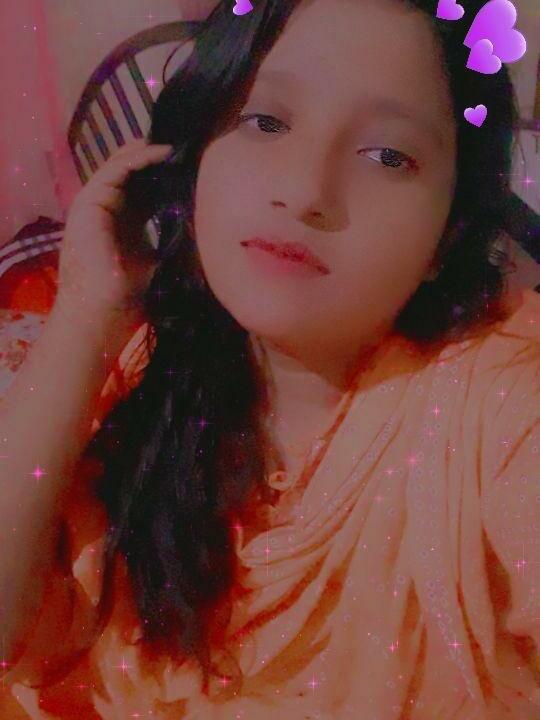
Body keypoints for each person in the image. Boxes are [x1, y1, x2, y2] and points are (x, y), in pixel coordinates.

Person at [0, 0, 539, 717]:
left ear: (449, 234)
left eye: (388, 156)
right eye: (265, 122)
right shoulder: (148, 366)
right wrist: (82, 312)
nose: (306, 191)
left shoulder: (501, 402)